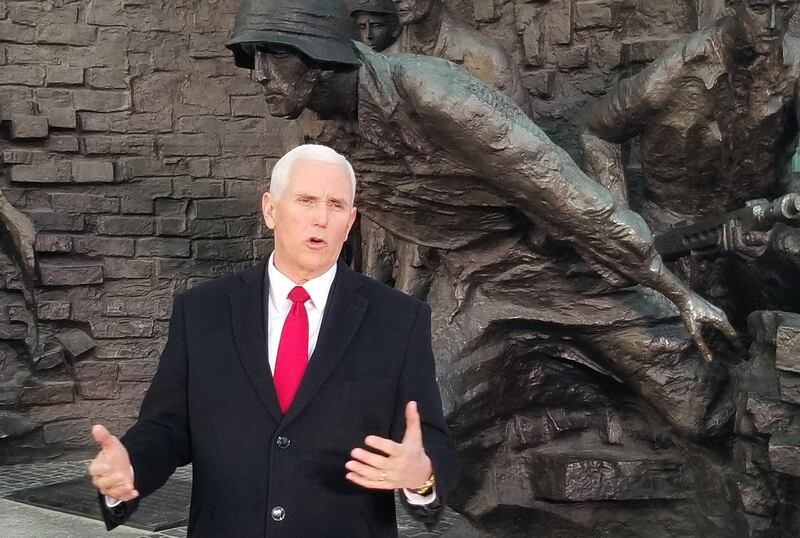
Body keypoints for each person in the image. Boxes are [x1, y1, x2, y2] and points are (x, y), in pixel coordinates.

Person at [226, 0, 740, 440]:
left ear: (317, 55)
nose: (259, 76)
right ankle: (546, 395)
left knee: (699, 408)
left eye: (272, 55)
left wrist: (672, 290)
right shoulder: (329, 143)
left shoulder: (430, 92)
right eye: (253, 59)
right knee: (408, 421)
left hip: (565, 264)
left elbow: (564, 192)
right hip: (476, 283)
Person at [88, 144, 458, 537]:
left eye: (335, 205)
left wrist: (423, 476)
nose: (320, 218)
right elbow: (166, 427)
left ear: (350, 222)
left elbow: (430, 441)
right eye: (306, 200)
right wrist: (130, 465)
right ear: (270, 209)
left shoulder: (398, 320)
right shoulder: (202, 312)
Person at [580, 0, 800, 323]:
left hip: (761, 240)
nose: (772, 22)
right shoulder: (677, 71)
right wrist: (624, 234)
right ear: (731, 3)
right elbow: (595, 130)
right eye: (758, 6)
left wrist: (780, 216)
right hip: (673, 245)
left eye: (785, 6)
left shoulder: (795, 68)